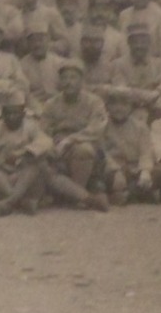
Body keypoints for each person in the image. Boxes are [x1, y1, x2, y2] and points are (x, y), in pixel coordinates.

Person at [37, 61, 111, 212]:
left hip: (86, 144)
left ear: (81, 81)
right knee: (42, 161)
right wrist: (51, 145)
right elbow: (43, 130)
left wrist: (71, 139)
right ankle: (82, 196)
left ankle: (77, 195)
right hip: (58, 146)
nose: (68, 82)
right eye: (64, 78)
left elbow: (96, 128)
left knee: (83, 150)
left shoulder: (94, 101)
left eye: (73, 78)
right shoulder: (51, 103)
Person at [0, 88, 52, 215]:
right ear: (2, 114)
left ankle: (10, 201)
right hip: (2, 174)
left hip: (23, 174)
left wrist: (24, 153)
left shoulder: (31, 126)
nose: (11, 117)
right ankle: (19, 200)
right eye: (7, 113)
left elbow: (46, 141)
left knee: (36, 166)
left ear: (23, 114)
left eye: (16, 113)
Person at [100, 86, 157, 205]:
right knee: (102, 178)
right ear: (107, 107)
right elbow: (102, 152)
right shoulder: (102, 126)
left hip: (134, 167)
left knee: (160, 173)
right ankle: (133, 193)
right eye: (114, 105)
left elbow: (146, 152)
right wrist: (115, 170)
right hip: (113, 168)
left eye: (124, 105)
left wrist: (145, 171)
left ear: (131, 107)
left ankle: (126, 194)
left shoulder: (140, 127)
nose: (119, 109)